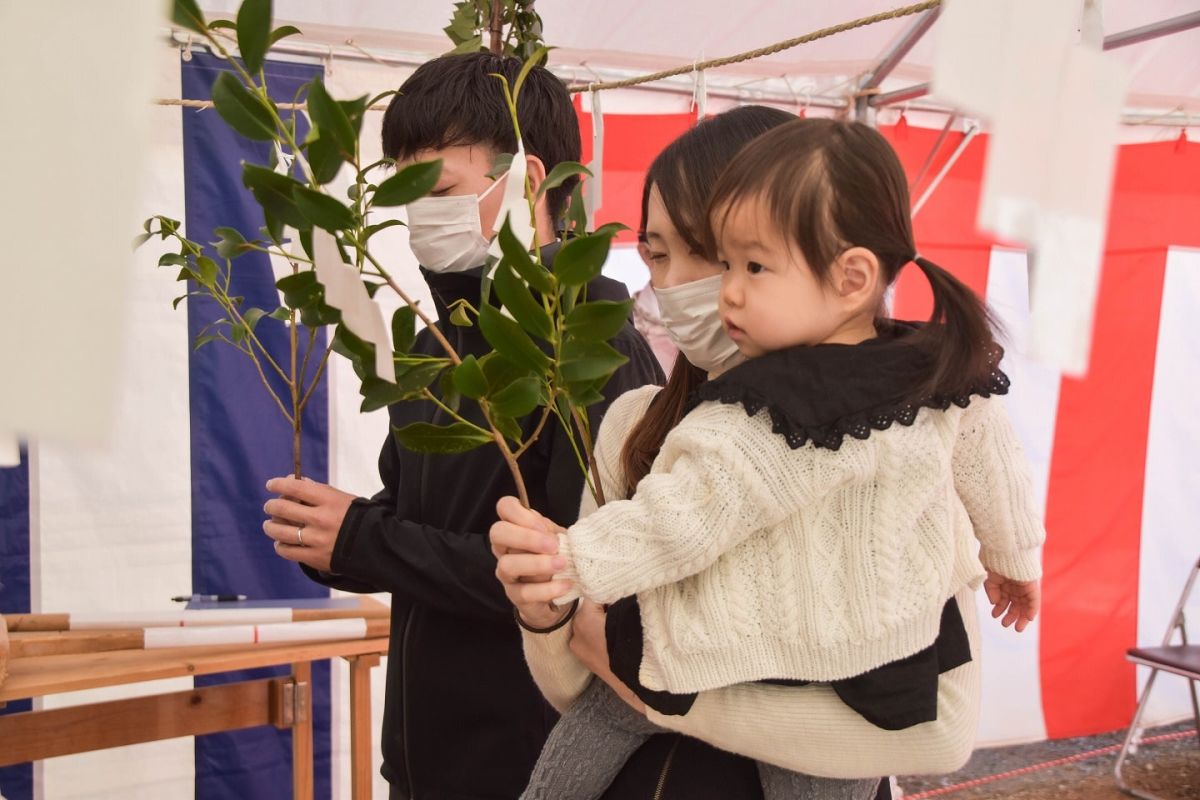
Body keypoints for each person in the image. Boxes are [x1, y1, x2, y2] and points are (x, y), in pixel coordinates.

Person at [492, 116, 1045, 800]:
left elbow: (940, 732)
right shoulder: (637, 425)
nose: (716, 289)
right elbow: (579, 674)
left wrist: (671, 699)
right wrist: (551, 595)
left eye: (732, 258)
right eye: (659, 256)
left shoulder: (906, 427)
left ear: (845, 274)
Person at [259, 52, 664, 799]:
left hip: (538, 768)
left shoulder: (591, 353)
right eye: (406, 196)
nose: (420, 219)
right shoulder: (434, 344)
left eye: (439, 190)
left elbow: (567, 582)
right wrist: (340, 544)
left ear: (532, 182)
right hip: (426, 764)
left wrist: (365, 539)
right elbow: (421, 522)